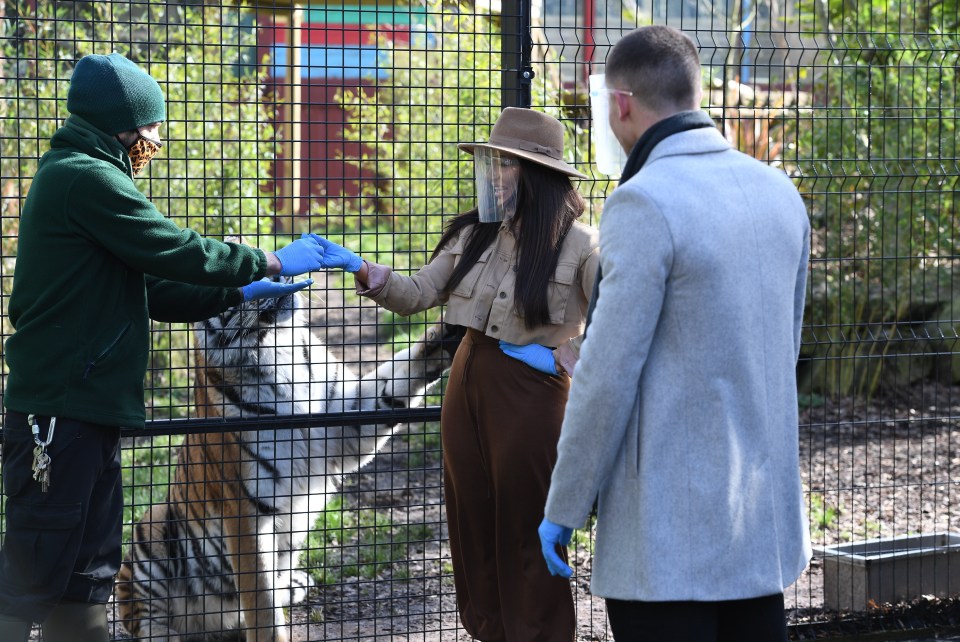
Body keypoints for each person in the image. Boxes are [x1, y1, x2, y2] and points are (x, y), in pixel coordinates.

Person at [0, 52, 328, 642]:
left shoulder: (89, 178)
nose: (155, 138)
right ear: (119, 124)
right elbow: (174, 249)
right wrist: (271, 259)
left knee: (90, 571)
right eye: (150, 126)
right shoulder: (85, 177)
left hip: (91, 411)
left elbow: (157, 289)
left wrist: (242, 288)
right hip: (58, 411)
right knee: (34, 570)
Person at [537, 25, 812, 641]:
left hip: (666, 547)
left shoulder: (644, 202)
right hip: (759, 535)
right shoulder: (780, 194)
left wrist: (565, 506)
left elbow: (606, 377)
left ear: (621, 103)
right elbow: (780, 351)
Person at [312, 107, 598, 641]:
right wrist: (362, 270)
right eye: (492, 162)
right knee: (470, 518)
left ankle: (540, 633)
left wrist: (572, 353)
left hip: (532, 395)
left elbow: (623, 311)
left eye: (505, 165)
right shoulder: (474, 234)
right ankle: (488, 631)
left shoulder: (583, 245)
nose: (493, 174)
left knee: (526, 522)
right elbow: (419, 292)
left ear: (537, 173)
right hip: (465, 380)